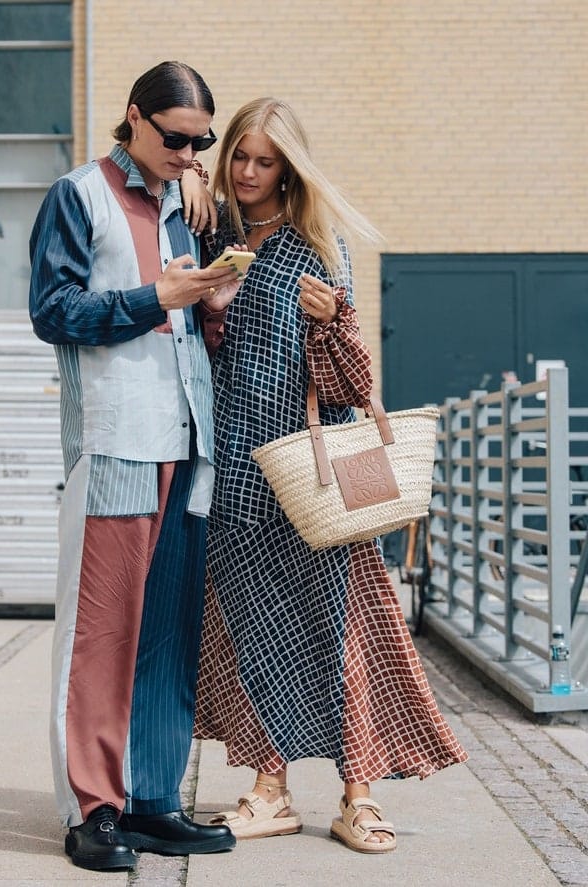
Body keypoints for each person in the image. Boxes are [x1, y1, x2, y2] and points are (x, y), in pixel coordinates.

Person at [182, 98, 469, 853]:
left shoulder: (317, 247)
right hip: (238, 474)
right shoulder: (213, 238)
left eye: (264, 160)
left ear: (290, 169)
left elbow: (350, 380)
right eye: (237, 156)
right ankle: (269, 788)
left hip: (318, 481)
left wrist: (332, 317)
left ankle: (358, 794)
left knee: (344, 633)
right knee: (256, 636)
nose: (246, 172)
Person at [28, 61, 242, 872]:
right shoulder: (78, 196)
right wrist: (158, 298)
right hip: (117, 442)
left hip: (191, 444)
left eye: (201, 142)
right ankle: (94, 808)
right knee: (103, 635)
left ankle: (153, 798)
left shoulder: (186, 209)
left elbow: (184, 321)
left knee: (167, 636)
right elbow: (54, 311)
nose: (191, 154)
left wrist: (207, 307)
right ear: (134, 117)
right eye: (177, 138)